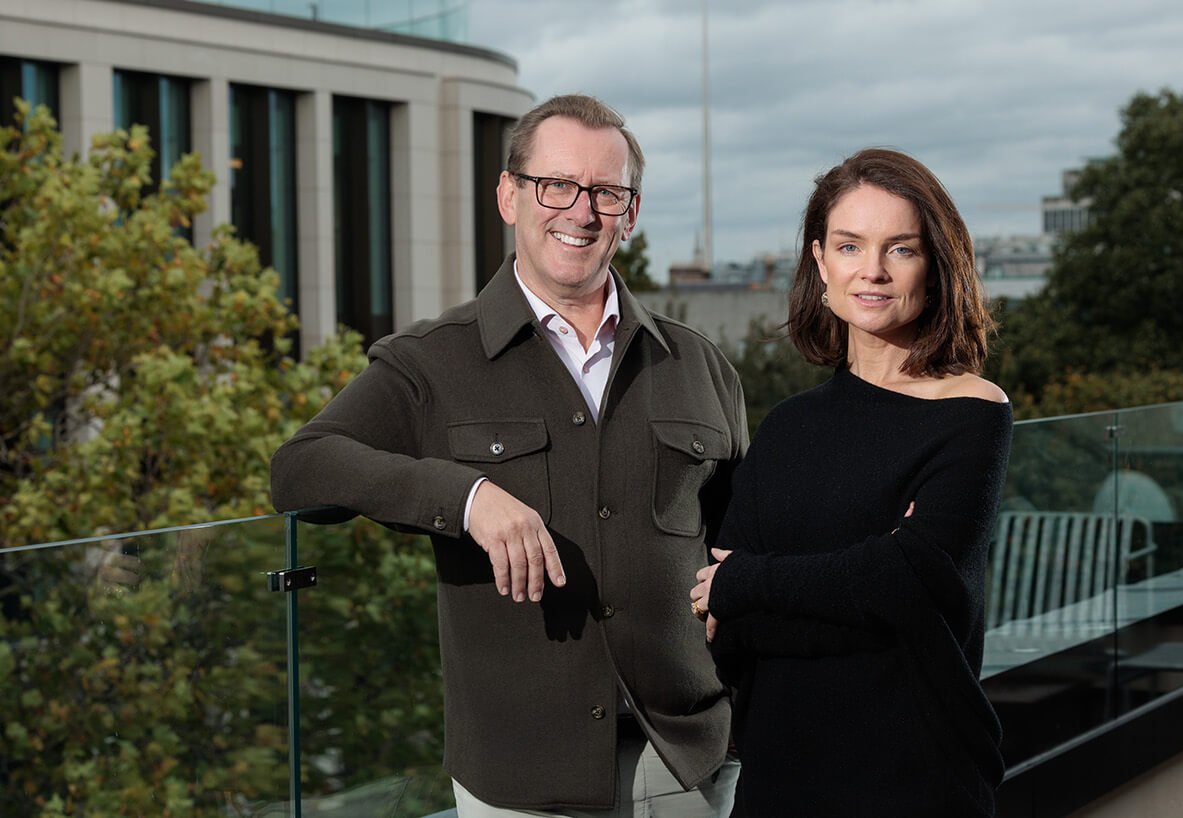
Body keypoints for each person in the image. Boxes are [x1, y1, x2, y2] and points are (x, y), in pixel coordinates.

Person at [271, 94, 746, 816]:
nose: (581, 212)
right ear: (509, 196)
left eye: (606, 193)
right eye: (556, 185)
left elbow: (743, 532)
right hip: (520, 780)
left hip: (687, 764)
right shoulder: (430, 362)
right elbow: (300, 467)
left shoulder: (699, 364)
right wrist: (465, 499)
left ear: (631, 213)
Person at [688, 148, 1012, 817]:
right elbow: (728, 630)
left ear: (935, 265)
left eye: (900, 248)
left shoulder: (972, 412)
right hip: (780, 779)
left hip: (917, 782)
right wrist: (868, 597)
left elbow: (910, 578)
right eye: (849, 245)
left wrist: (754, 582)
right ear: (820, 262)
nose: (872, 270)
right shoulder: (786, 429)